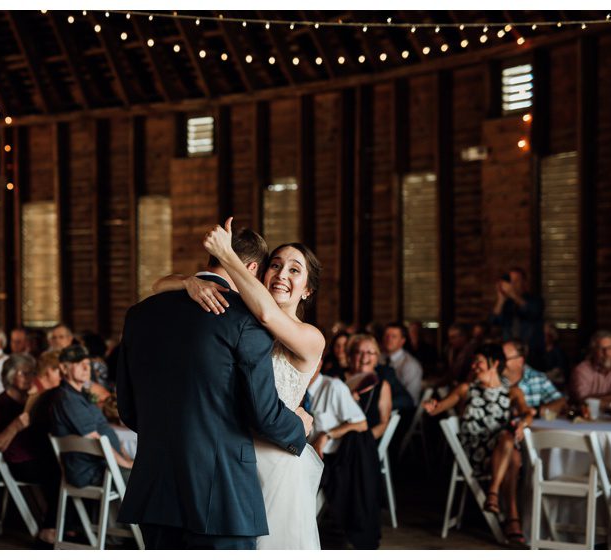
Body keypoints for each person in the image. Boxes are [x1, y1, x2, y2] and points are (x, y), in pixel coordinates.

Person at [119, 220, 314, 550]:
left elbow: (128, 409)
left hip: (156, 485)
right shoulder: (244, 320)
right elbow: (263, 414)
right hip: (222, 489)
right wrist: (300, 426)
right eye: (273, 268)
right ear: (252, 268)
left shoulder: (139, 315)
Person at [423, 344, 534, 544]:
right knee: (511, 450)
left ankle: (494, 496)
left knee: (511, 449)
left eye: (479, 362)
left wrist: (522, 424)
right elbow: (439, 407)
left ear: (495, 363)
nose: (474, 366)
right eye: (473, 362)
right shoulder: (466, 389)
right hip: (475, 452)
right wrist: (432, 406)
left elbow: (528, 413)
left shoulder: (512, 391)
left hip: (501, 452)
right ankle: (510, 517)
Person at [0, 354, 58, 546]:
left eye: (31, 373)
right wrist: (16, 425)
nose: (29, 377)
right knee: (59, 473)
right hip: (19, 462)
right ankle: (48, 531)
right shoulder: (0, 403)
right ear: (9, 376)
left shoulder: (32, 400)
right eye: (23, 373)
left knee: (68, 466)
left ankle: (65, 526)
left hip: (37, 455)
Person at [305, 367, 381, 549]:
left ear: (319, 362)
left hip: (336, 459)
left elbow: (361, 423)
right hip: (306, 453)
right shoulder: (298, 389)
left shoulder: (333, 387)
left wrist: (327, 435)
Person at [49, 346, 133, 485]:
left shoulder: (78, 395)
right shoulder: (68, 399)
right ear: (64, 368)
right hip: (91, 471)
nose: (86, 368)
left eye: (87, 363)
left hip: (103, 466)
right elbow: (95, 438)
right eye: (78, 364)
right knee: (148, 481)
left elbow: (105, 430)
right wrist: (125, 462)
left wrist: (127, 458)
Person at [340, 335, 393, 441]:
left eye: (370, 352)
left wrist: (364, 441)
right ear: (351, 356)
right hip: (336, 439)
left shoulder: (383, 386)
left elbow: (384, 423)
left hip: (365, 441)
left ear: (377, 357)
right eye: (359, 352)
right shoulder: (338, 380)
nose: (364, 357)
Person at [490, 267, 546, 368]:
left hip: (531, 352)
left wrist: (512, 294)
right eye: (511, 281)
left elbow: (533, 312)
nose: (512, 285)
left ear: (524, 282)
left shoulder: (535, 300)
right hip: (510, 352)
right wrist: (501, 299)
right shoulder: (507, 304)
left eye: (516, 281)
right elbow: (494, 322)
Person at [501, 339, 566, 416]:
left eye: (504, 358)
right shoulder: (492, 378)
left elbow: (561, 402)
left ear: (520, 361)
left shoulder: (537, 378)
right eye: (498, 357)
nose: (498, 362)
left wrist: (536, 411)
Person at [569, 331, 611, 408]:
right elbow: (584, 401)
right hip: (585, 418)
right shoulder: (582, 370)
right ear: (593, 351)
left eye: (610, 348)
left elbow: (589, 401)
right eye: (601, 349)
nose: (606, 353)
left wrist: (595, 401)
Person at [381, 322, 424, 400]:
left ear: (402, 341)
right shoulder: (378, 358)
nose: (389, 339)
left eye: (394, 336)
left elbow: (411, 399)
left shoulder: (410, 365)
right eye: (386, 336)